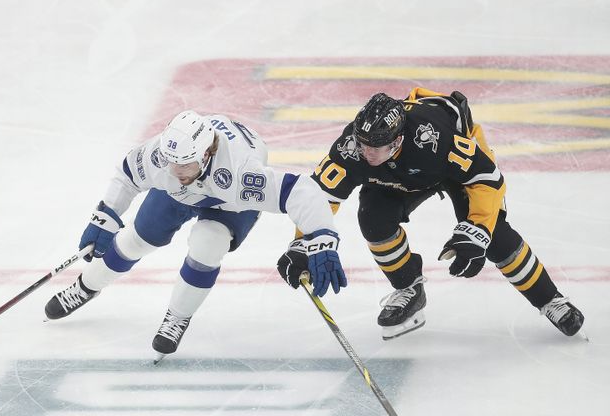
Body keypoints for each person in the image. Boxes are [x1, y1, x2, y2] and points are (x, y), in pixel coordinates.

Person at [277, 88, 584, 340]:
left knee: (497, 238)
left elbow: (488, 180)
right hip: (397, 174)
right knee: (373, 220)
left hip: (449, 171)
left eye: (375, 147)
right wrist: (304, 243)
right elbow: (317, 197)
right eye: (362, 143)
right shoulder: (354, 146)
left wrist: (477, 230)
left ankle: (550, 299)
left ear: (397, 141)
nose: (364, 152)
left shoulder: (435, 140)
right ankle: (409, 288)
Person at [45, 110, 347, 358]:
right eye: (171, 162)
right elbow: (127, 176)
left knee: (209, 241)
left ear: (206, 155)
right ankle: (87, 285)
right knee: (138, 238)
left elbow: (301, 192)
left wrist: (321, 239)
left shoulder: (242, 174)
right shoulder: (164, 158)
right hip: (183, 194)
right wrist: (105, 216)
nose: (175, 170)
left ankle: (177, 316)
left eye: (184, 164)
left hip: (229, 201)